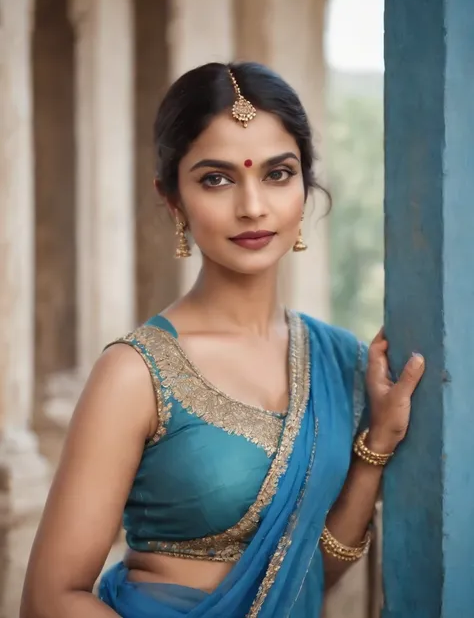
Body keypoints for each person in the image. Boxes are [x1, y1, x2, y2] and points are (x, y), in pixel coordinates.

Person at [20, 62, 425, 618]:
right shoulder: (135, 374)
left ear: (304, 184)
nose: (253, 206)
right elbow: (48, 600)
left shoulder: (340, 361)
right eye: (217, 178)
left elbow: (305, 574)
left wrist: (375, 446)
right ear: (173, 200)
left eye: (278, 174)